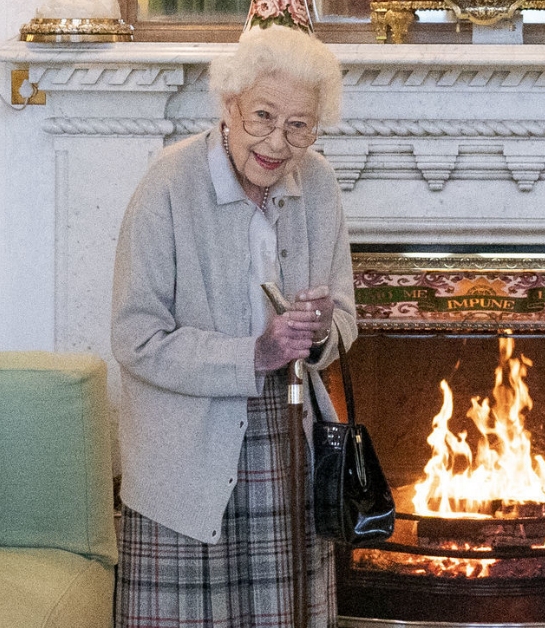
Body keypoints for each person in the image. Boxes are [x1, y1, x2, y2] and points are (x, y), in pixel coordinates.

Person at [111, 24, 355, 628]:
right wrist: (255, 353)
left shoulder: (319, 184)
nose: (277, 141)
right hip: (184, 458)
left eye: (299, 126)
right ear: (229, 106)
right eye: (262, 117)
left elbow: (346, 317)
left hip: (286, 443)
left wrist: (317, 334)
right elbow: (135, 337)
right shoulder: (168, 184)